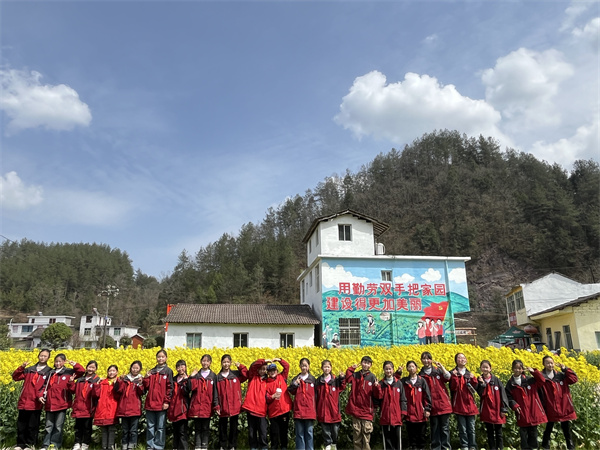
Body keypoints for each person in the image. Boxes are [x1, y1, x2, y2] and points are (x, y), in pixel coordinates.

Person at [40, 354, 85, 450]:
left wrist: (75, 364)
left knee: (58, 426)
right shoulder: (51, 373)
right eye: (56, 361)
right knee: (48, 426)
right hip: (50, 403)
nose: (58, 363)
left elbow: (81, 371)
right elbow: (44, 385)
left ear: (64, 362)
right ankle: (45, 445)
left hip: (62, 403)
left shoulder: (69, 372)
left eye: (60, 361)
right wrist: (41, 395)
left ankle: (55, 445)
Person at [12, 348, 53, 450]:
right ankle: (20, 444)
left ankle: (30, 445)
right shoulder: (29, 369)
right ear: (38, 356)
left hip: (36, 402)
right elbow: (15, 377)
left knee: (32, 426)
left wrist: (41, 396)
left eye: (45, 356)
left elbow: (47, 386)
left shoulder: (49, 371)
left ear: (48, 358)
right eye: (41, 355)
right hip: (24, 401)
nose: (42, 357)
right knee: (21, 425)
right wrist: (21, 367)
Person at [536, 355, 578, 450]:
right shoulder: (542, 377)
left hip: (563, 406)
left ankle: (570, 446)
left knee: (566, 427)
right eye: (547, 363)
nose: (550, 365)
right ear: (543, 364)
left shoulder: (561, 375)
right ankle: (545, 446)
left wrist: (565, 369)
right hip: (550, 406)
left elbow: (574, 379)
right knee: (549, 427)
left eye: (551, 363)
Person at [505, 359, 547, 450]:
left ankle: (534, 448)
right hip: (521, 412)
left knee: (533, 433)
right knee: (523, 433)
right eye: (515, 368)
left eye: (519, 368)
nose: (517, 370)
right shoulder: (510, 383)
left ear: (522, 369)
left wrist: (534, 372)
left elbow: (542, 380)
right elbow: (508, 397)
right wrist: (514, 405)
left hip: (533, 410)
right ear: (512, 369)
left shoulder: (530, 380)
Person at [344, 355, 381, 450]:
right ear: (361, 363)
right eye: (364, 362)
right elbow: (348, 379)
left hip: (367, 410)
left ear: (371, 365)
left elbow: (377, 395)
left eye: (368, 363)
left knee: (366, 435)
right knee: (356, 434)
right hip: (355, 408)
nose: (365, 365)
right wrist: (351, 369)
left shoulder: (372, 377)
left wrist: (377, 387)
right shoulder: (356, 375)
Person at [419, 351, 452, 450]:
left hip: (443, 403)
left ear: (431, 360)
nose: (426, 360)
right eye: (424, 358)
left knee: (445, 428)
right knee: (434, 427)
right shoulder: (421, 375)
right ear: (421, 360)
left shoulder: (438, 371)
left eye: (428, 358)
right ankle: (436, 447)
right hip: (431, 405)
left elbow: (448, 378)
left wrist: (442, 368)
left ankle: (446, 447)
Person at [143, 349, 174, 450]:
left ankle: (159, 446)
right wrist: (146, 378)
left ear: (166, 358)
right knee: (150, 426)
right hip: (150, 403)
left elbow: (170, 387)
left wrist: (167, 401)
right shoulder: (152, 371)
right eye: (159, 357)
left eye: (162, 357)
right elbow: (146, 387)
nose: (160, 359)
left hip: (161, 404)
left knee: (160, 427)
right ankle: (150, 446)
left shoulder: (168, 371)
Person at [188, 354, 219, 450]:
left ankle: (204, 446)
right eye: (203, 361)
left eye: (207, 361)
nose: (205, 363)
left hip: (207, 406)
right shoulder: (196, 375)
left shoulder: (213, 376)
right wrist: (191, 377)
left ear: (210, 363)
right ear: (201, 362)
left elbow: (215, 392)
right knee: (197, 428)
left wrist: (216, 405)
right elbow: (190, 388)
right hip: (196, 405)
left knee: (205, 428)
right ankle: (197, 446)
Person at [216, 354, 248, 450]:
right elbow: (215, 393)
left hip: (235, 405)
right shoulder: (218, 377)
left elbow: (246, 375)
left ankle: (232, 446)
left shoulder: (235, 375)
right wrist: (217, 406)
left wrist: (240, 366)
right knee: (222, 427)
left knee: (234, 427)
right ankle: (222, 446)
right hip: (223, 405)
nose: (226, 364)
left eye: (228, 362)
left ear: (230, 363)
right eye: (224, 362)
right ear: (221, 363)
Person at [476, 360, 509, 450]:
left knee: (499, 432)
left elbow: (503, 394)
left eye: (487, 367)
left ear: (490, 369)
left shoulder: (496, 380)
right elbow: (480, 394)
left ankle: (500, 448)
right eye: (483, 367)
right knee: (489, 432)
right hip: (487, 409)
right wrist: (482, 384)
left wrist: (504, 408)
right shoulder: (479, 380)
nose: (485, 369)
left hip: (497, 409)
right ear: (480, 368)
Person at [449, 353, 478, 450]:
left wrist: (473, 379)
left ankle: (472, 446)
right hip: (459, 404)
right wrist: (454, 377)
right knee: (462, 428)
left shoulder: (469, 374)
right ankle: (464, 446)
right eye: (459, 358)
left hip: (470, 404)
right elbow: (453, 388)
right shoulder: (453, 373)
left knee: (472, 428)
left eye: (463, 358)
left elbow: (475, 389)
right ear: (456, 361)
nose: (462, 359)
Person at [69, 360, 100, 450]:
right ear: (86, 368)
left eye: (93, 367)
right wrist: (71, 382)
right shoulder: (80, 380)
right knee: (78, 427)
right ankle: (77, 443)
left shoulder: (96, 380)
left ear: (96, 369)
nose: (91, 369)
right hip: (78, 407)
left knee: (87, 427)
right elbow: (73, 391)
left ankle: (85, 443)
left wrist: (97, 385)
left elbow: (96, 395)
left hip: (89, 408)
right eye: (89, 367)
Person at [315, 360, 345, 450]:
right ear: (322, 368)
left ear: (331, 368)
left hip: (334, 409)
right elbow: (316, 395)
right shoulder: (318, 381)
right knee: (325, 429)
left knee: (335, 429)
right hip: (323, 409)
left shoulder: (335, 380)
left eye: (328, 367)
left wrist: (342, 378)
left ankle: (334, 443)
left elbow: (342, 387)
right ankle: (327, 444)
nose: (326, 369)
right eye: (325, 367)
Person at [114, 360, 144, 450]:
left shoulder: (140, 379)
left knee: (133, 430)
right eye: (133, 368)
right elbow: (119, 390)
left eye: (137, 368)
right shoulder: (125, 379)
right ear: (130, 368)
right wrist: (120, 380)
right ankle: (124, 444)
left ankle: (132, 445)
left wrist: (140, 384)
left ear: (140, 369)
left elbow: (141, 392)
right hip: (124, 408)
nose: (135, 370)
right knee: (125, 430)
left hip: (134, 409)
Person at [288, 358, 317, 450]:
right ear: (299, 366)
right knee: (299, 433)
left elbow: (317, 395)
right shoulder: (296, 379)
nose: (304, 367)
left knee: (309, 432)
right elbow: (291, 391)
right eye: (302, 365)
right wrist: (295, 384)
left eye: (305, 365)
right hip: (299, 410)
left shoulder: (313, 379)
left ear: (309, 366)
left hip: (309, 410)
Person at [402, 360, 431, 450]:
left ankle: (421, 447)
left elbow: (427, 395)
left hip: (420, 412)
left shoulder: (421, 381)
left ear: (416, 368)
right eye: (409, 367)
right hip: (409, 411)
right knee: (411, 433)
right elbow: (393, 381)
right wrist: (398, 372)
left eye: (413, 366)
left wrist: (427, 408)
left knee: (421, 434)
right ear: (407, 369)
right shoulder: (404, 381)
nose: (411, 368)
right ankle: (413, 447)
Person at [377, 361, 406, 450]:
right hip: (385, 416)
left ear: (393, 370)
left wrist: (403, 412)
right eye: (386, 369)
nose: (388, 371)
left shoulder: (398, 383)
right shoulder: (381, 384)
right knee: (387, 440)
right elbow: (378, 398)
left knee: (397, 440)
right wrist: (377, 388)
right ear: (383, 370)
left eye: (390, 369)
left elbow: (403, 399)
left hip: (396, 416)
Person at [242, 358, 269, 450]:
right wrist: (264, 361)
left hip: (261, 410)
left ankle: (264, 447)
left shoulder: (268, 380)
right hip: (251, 409)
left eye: (264, 369)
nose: (262, 371)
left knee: (263, 431)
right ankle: (253, 447)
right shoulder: (253, 377)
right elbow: (253, 366)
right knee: (252, 431)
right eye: (260, 369)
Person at [265, 358, 292, 450]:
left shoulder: (282, 377)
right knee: (274, 433)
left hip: (284, 409)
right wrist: (272, 396)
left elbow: (287, 366)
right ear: (268, 372)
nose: (272, 372)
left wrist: (279, 360)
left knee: (284, 431)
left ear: (277, 371)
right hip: (273, 412)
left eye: (274, 370)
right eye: (270, 371)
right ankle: (274, 447)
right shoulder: (266, 382)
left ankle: (284, 447)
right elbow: (266, 397)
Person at [92, 365, 119, 450]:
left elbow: (119, 394)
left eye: (113, 371)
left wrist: (117, 383)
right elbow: (96, 395)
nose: (111, 373)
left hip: (113, 408)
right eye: (110, 371)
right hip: (102, 408)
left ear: (117, 372)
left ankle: (111, 446)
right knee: (103, 429)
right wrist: (97, 384)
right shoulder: (102, 382)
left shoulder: (118, 382)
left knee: (111, 429)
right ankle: (104, 447)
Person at [168, 360, 190, 450]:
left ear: (185, 367)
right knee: (175, 431)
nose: (180, 369)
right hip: (174, 408)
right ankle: (175, 447)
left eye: (182, 366)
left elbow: (188, 391)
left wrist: (186, 380)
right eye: (178, 367)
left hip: (183, 408)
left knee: (182, 432)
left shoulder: (188, 379)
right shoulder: (173, 379)